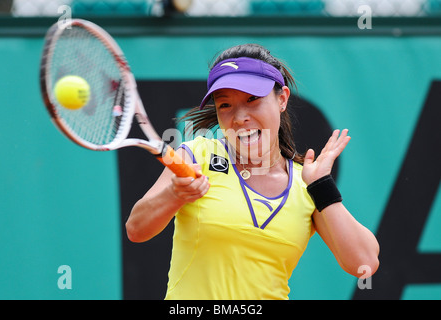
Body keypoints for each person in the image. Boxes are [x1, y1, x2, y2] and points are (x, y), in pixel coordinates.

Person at [126, 44, 380, 300]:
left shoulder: (307, 184)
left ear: (282, 99)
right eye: (225, 105)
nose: (239, 117)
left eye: (252, 99)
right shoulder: (197, 155)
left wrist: (322, 188)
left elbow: (364, 263)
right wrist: (175, 194)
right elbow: (136, 229)